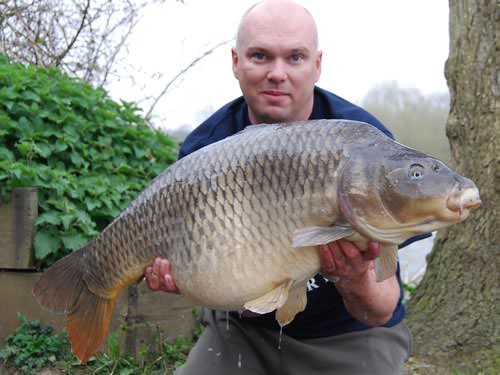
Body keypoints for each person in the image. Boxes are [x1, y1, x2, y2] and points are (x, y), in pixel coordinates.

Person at [145, 1, 427, 373]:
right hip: (243, 330)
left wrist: (352, 275)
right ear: (236, 61)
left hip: (347, 335)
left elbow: (379, 309)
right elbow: (224, 290)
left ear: (317, 65)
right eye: (261, 56)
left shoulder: (366, 151)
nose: (277, 73)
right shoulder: (205, 152)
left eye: (295, 57)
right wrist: (190, 277)